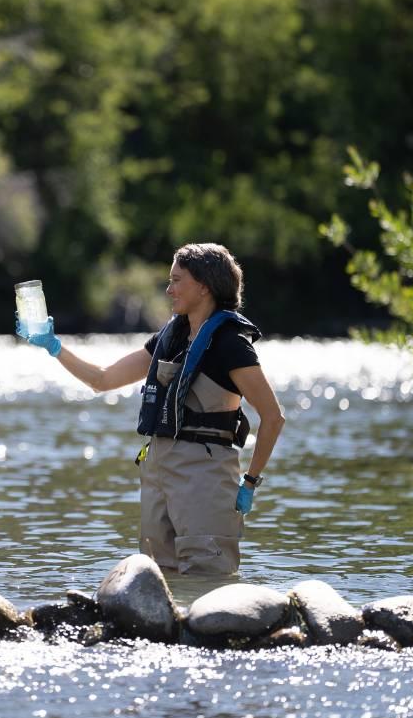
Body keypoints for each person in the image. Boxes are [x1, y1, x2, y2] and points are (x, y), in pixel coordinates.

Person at [16, 242, 285, 576]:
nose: (169, 290)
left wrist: (250, 482)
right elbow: (102, 379)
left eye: (177, 281)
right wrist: (55, 347)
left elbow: (273, 416)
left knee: (207, 580)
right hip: (158, 471)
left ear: (204, 287)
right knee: (161, 578)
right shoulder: (168, 339)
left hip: (205, 477)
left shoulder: (231, 343)